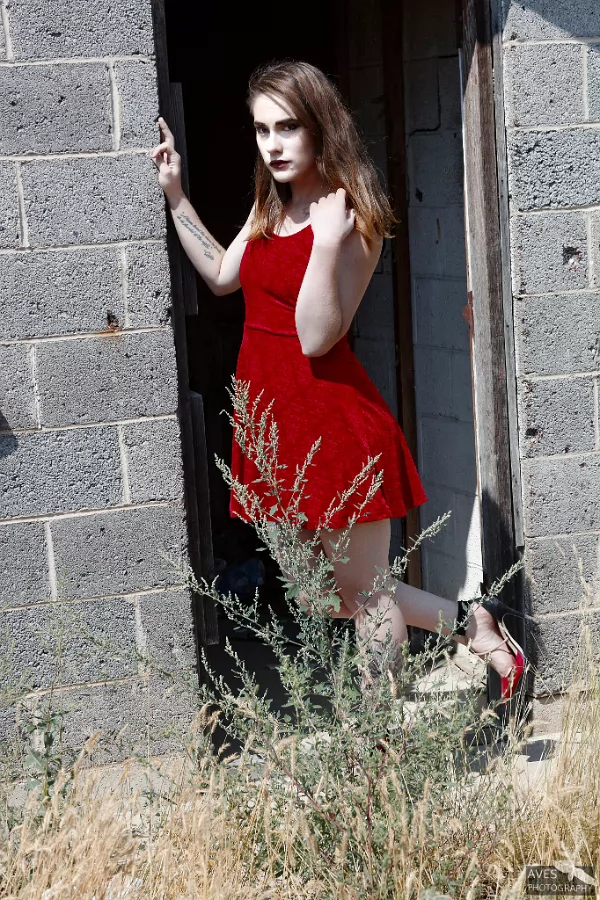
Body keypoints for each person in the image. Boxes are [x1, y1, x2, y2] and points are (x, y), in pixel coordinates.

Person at [151, 60, 527, 702]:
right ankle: (471, 622)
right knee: (320, 594)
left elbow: (316, 337)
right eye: (262, 129)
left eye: (288, 127)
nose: (273, 145)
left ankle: (381, 734)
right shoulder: (271, 206)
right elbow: (220, 275)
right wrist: (177, 195)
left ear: (321, 126)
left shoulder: (353, 217)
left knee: (367, 597)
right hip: (273, 425)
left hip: (332, 425)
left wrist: (325, 244)